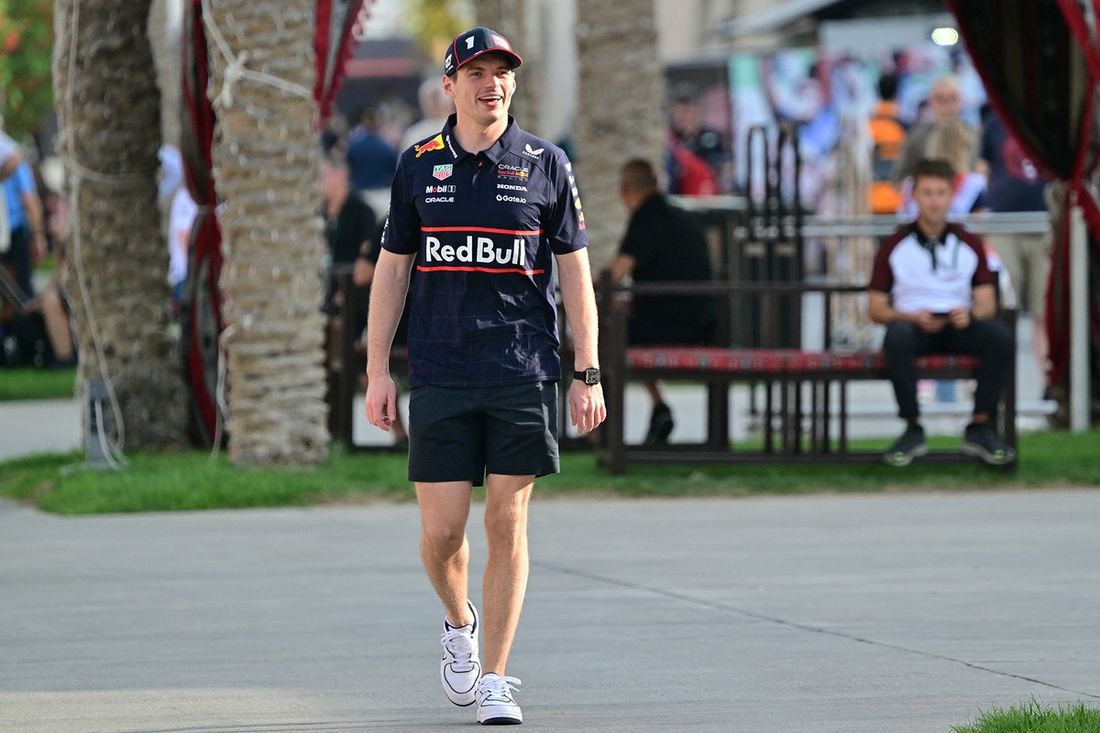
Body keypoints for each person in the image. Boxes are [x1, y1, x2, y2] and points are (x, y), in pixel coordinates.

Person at [364, 26, 605, 726]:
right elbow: (392, 273)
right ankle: (459, 623)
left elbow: (577, 275)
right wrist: (378, 371)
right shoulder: (417, 166)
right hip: (440, 372)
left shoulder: (546, 163)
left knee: (508, 519)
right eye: (475, 72)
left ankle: (496, 677)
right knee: (443, 534)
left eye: (501, 71)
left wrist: (587, 372)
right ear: (450, 86)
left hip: (522, 369)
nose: (490, 83)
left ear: (513, 83)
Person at [869, 158, 1015, 467]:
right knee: (897, 338)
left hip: (958, 325)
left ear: (951, 196)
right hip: (913, 327)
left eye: (940, 193)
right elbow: (876, 308)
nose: (934, 201)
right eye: (927, 193)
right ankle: (912, 427)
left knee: (1000, 338)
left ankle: (980, 425)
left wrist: (969, 315)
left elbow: (987, 302)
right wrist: (910, 317)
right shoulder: (894, 245)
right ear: (914, 196)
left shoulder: (970, 243)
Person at [607, 158, 716, 445]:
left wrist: (584, 287)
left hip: (671, 327)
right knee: (621, 321)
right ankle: (659, 407)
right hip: (702, 324)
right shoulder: (679, 215)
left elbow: (617, 272)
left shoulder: (646, 217)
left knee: (605, 332)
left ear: (624, 189)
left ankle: (598, 431)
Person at [977, 110, 1050, 395]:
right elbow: (983, 167)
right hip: (1004, 226)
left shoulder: (1049, 119)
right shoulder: (996, 122)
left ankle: (1049, 381)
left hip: (1044, 224)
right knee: (1001, 309)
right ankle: (995, 387)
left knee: (1044, 311)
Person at [892, 76, 972, 184]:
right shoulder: (916, 137)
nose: (947, 105)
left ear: (962, 101)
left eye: (953, 98)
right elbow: (899, 177)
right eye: (940, 99)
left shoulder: (975, 136)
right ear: (930, 102)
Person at [345, 106, 398, 219]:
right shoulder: (387, 147)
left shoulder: (354, 146)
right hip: (384, 195)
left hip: (362, 195)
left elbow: (349, 170)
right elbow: (394, 170)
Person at [401, 76, 457, 153]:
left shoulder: (413, 133)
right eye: (433, 99)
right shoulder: (414, 133)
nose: (435, 103)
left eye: (437, 98)